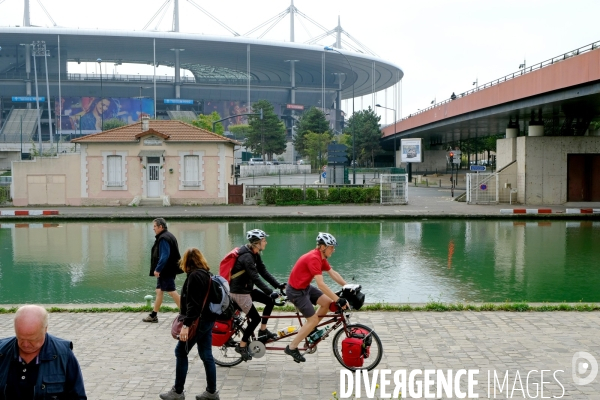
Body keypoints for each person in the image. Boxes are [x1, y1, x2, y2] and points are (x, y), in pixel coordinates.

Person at [160, 248, 218, 400]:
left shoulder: (194, 277)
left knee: (180, 352)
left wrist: (186, 326)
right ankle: (212, 392)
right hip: (207, 320)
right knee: (207, 355)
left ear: (186, 262)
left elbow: (194, 305)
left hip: (196, 323)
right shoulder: (207, 274)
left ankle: (178, 392)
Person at [284, 232, 348, 363]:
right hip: (295, 292)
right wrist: (338, 299)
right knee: (312, 319)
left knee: (327, 303)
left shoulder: (321, 257)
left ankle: (311, 330)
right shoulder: (314, 258)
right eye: (331, 247)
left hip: (305, 287)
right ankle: (292, 347)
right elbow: (321, 285)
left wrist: (348, 286)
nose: (333, 250)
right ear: (323, 247)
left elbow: (333, 273)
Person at [0, 305, 87, 399]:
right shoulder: (2, 351)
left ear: (45, 329)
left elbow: (78, 396)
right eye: (20, 338)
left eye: (32, 340)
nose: (25, 344)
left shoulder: (64, 354)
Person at [229, 229, 286, 361]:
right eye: (264, 240)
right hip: (239, 293)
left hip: (247, 289)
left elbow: (263, 271)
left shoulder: (254, 253)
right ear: (256, 243)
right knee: (255, 319)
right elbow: (255, 278)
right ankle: (242, 346)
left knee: (269, 301)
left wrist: (278, 285)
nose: (266, 242)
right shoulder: (247, 257)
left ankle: (263, 331)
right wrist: (270, 292)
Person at [143, 218, 182, 323]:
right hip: (167, 269)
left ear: (161, 227)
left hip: (166, 269)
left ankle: (185, 313)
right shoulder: (168, 236)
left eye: (155, 226)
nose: (153, 228)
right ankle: (154, 315)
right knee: (159, 291)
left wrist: (158, 269)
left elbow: (165, 255)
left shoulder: (164, 238)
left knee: (171, 291)